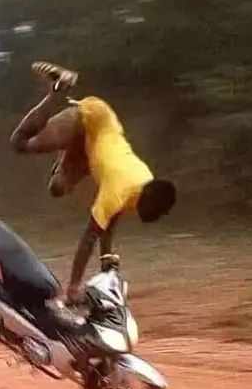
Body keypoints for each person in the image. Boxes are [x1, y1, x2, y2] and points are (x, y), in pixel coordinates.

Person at [10, 61, 176, 304]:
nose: (157, 216)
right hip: (91, 120)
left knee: (57, 188)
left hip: (91, 151)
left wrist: (107, 264)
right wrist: (73, 288)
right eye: (158, 211)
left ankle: (65, 148)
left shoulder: (143, 183)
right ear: (148, 198)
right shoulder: (120, 189)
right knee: (20, 143)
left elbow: (110, 220)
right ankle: (58, 91)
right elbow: (90, 237)